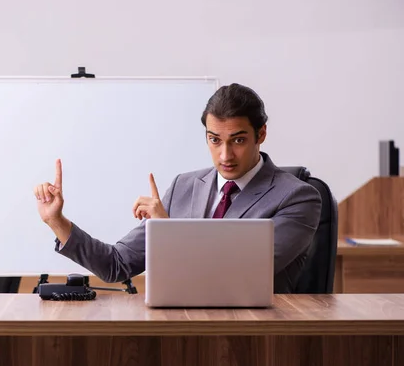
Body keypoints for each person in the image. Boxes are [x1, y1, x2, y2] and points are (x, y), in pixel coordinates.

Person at [33, 83, 322, 293]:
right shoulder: (185, 186)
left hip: (253, 336)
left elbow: (241, 272)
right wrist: (57, 222)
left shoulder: (298, 197)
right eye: (214, 140)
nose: (224, 156)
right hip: (178, 327)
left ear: (261, 134)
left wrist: (169, 233)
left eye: (238, 140)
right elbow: (116, 265)